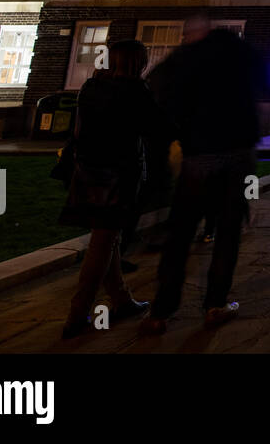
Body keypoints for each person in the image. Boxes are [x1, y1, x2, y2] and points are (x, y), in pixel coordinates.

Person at [141, 17, 267, 333]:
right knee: (228, 231)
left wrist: (180, 126)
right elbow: (266, 82)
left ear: (191, 35)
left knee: (180, 231)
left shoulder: (184, 58)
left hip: (198, 153)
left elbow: (156, 89)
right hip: (238, 150)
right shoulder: (239, 53)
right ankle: (215, 304)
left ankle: (160, 311)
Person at [59, 39, 163, 339]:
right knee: (103, 241)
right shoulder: (135, 91)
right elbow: (156, 128)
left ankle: (121, 299)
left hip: (87, 171)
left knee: (108, 236)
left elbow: (78, 130)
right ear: (135, 62)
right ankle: (78, 312)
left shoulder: (91, 88)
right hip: (118, 173)